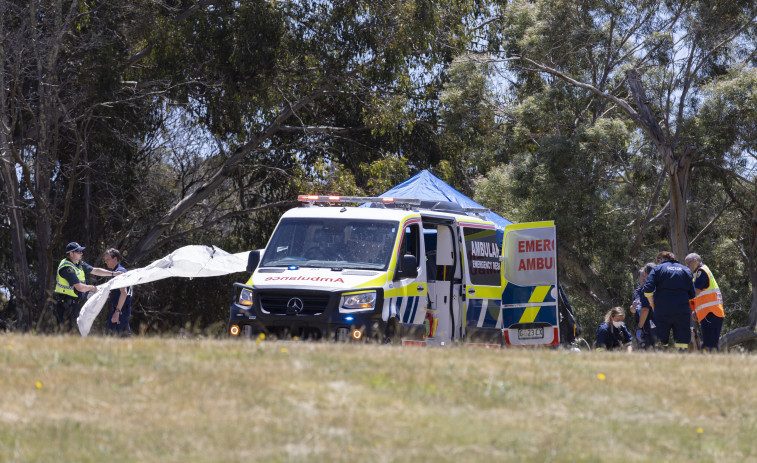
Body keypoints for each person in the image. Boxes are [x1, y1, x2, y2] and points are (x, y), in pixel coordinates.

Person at [54, 242, 119, 333]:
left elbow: (95, 270)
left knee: (74, 334)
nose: (82, 253)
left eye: (81, 251)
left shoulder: (78, 264)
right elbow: (79, 287)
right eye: (79, 252)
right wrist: (92, 288)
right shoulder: (67, 267)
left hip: (73, 305)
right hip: (65, 306)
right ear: (71, 254)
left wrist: (113, 273)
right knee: (69, 334)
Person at [643, 251, 696, 350]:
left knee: (661, 342)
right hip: (682, 311)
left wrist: (652, 305)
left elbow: (647, 290)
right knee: (682, 343)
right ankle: (681, 361)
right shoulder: (686, 270)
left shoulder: (657, 269)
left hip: (662, 310)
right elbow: (692, 294)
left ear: (660, 260)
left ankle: (662, 363)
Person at [684, 253, 724, 352]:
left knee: (709, 344)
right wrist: (695, 311)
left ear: (695, 261)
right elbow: (700, 296)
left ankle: (710, 364)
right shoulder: (699, 273)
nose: (687, 266)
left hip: (711, 313)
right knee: (709, 344)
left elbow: (695, 292)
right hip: (709, 313)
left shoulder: (701, 272)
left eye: (688, 263)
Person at [629, 262, 656, 349]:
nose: (644, 278)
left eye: (645, 275)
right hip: (641, 323)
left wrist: (640, 327)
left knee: (652, 347)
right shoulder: (637, 291)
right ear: (638, 277)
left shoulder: (651, 288)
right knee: (643, 348)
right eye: (641, 276)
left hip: (651, 323)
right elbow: (633, 309)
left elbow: (645, 309)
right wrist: (632, 308)